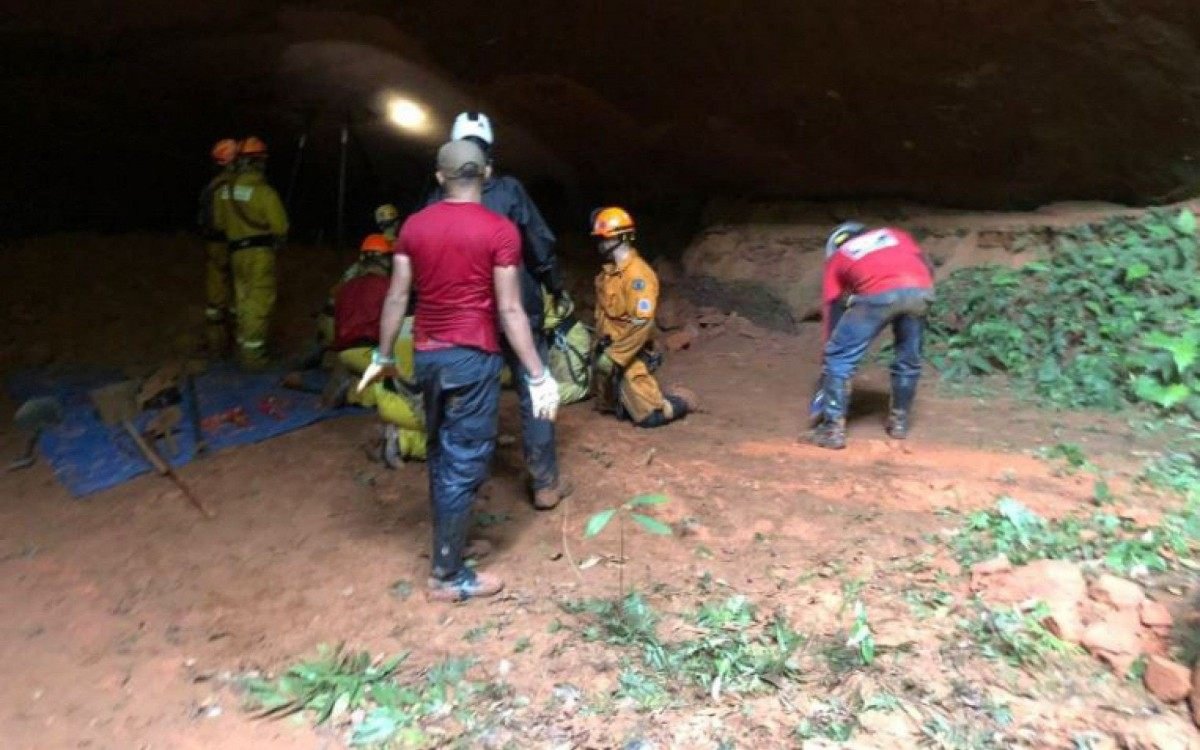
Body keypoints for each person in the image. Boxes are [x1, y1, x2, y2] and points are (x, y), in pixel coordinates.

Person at [361, 139, 560, 602]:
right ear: (487, 174)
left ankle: (452, 543)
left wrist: (383, 355)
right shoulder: (499, 231)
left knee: (439, 450)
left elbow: (396, 298)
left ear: (439, 178)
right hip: (472, 357)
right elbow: (510, 310)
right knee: (465, 458)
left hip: (427, 353)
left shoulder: (413, 226)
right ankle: (447, 575)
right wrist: (537, 373)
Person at [427, 111, 571, 510]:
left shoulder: (437, 200)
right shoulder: (510, 192)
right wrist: (555, 285)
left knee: (471, 395)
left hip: (466, 316)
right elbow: (539, 243)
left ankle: (467, 492)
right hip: (518, 309)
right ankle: (544, 482)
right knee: (534, 386)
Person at [811, 222, 936, 449]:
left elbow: (832, 307)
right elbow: (926, 265)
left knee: (839, 359)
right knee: (908, 358)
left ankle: (832, 430)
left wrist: (829, 351)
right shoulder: (895, 235)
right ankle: (899, 423)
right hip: (921, 289)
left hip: (879, 293)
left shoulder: (839, 257)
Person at [591, 207, 696, 427]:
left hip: (629, 351)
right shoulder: (609, 274)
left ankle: (681, 401)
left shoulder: (638, 276)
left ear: (621, 237)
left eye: (604, 238)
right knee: (607, 406)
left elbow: (642, 322)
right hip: (609, 347)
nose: (600, 243)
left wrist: (615, 356)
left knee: (650, 417)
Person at [213, 136, 289, 370]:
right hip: (259, 253)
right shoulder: (265, 193)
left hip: (235, 253)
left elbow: (219, 224)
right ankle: (253, 359)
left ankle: (241, 348)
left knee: (242, 301)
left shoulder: (223, 191)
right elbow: (281, 227)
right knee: (258, 303)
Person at [198, 138, 239, 356]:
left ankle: (215, 346)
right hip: (230, 243)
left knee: (215, 298)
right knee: (237, 293)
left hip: (213, 244)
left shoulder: (212, 185)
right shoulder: (234, 185)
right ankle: (232, 343)